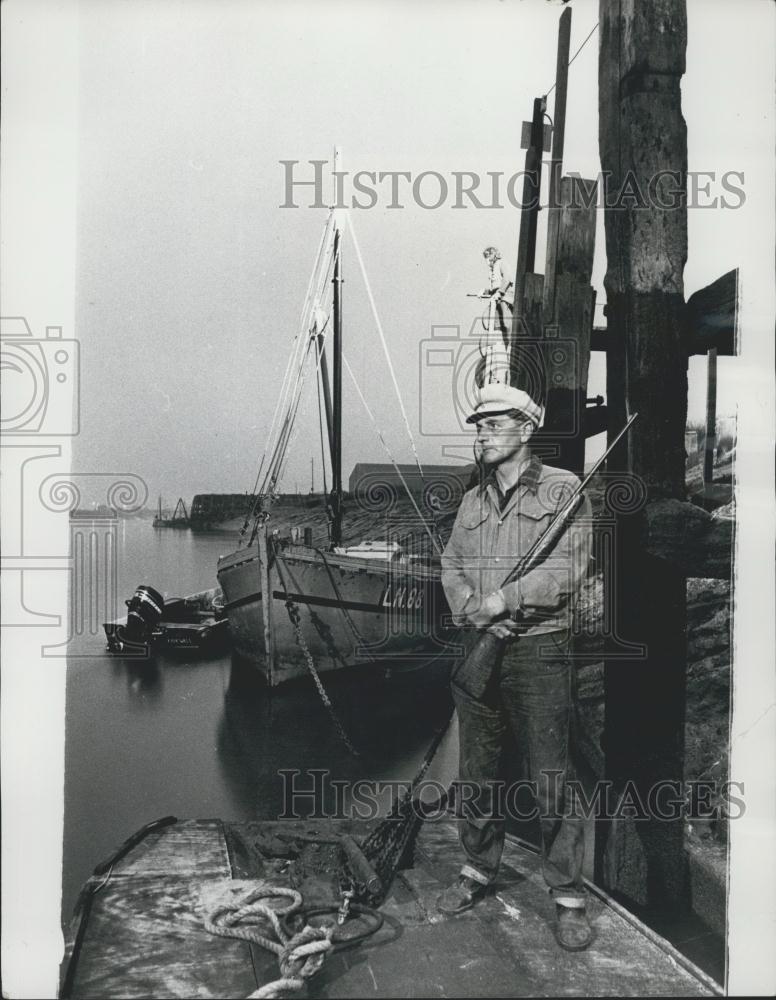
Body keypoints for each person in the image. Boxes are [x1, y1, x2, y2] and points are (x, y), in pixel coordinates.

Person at [438, 380, 594, 952]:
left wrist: (506, 601)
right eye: (478, 425)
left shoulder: (563, 490)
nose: (482, 434)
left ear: (526, 431)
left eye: (495, 425)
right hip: (480, 648)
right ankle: (478, 868)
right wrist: (476, 613)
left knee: (551, 777)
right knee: (478, 772)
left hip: (540, 649)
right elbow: (451, 562)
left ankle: (569, 898)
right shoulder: (473, 499)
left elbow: (570, 567)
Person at [481, 246, 513, 345]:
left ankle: (511, 346)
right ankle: (500, 348)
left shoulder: (502, 263)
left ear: (493, 255)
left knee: (507, 323)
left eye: (488, 256)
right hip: (496, 299)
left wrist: (500, 292)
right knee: (496, 326)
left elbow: (507, 279)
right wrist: (484, 292)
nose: (487, 260)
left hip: (505, 298)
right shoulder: (493, 268)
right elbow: (494, 288)